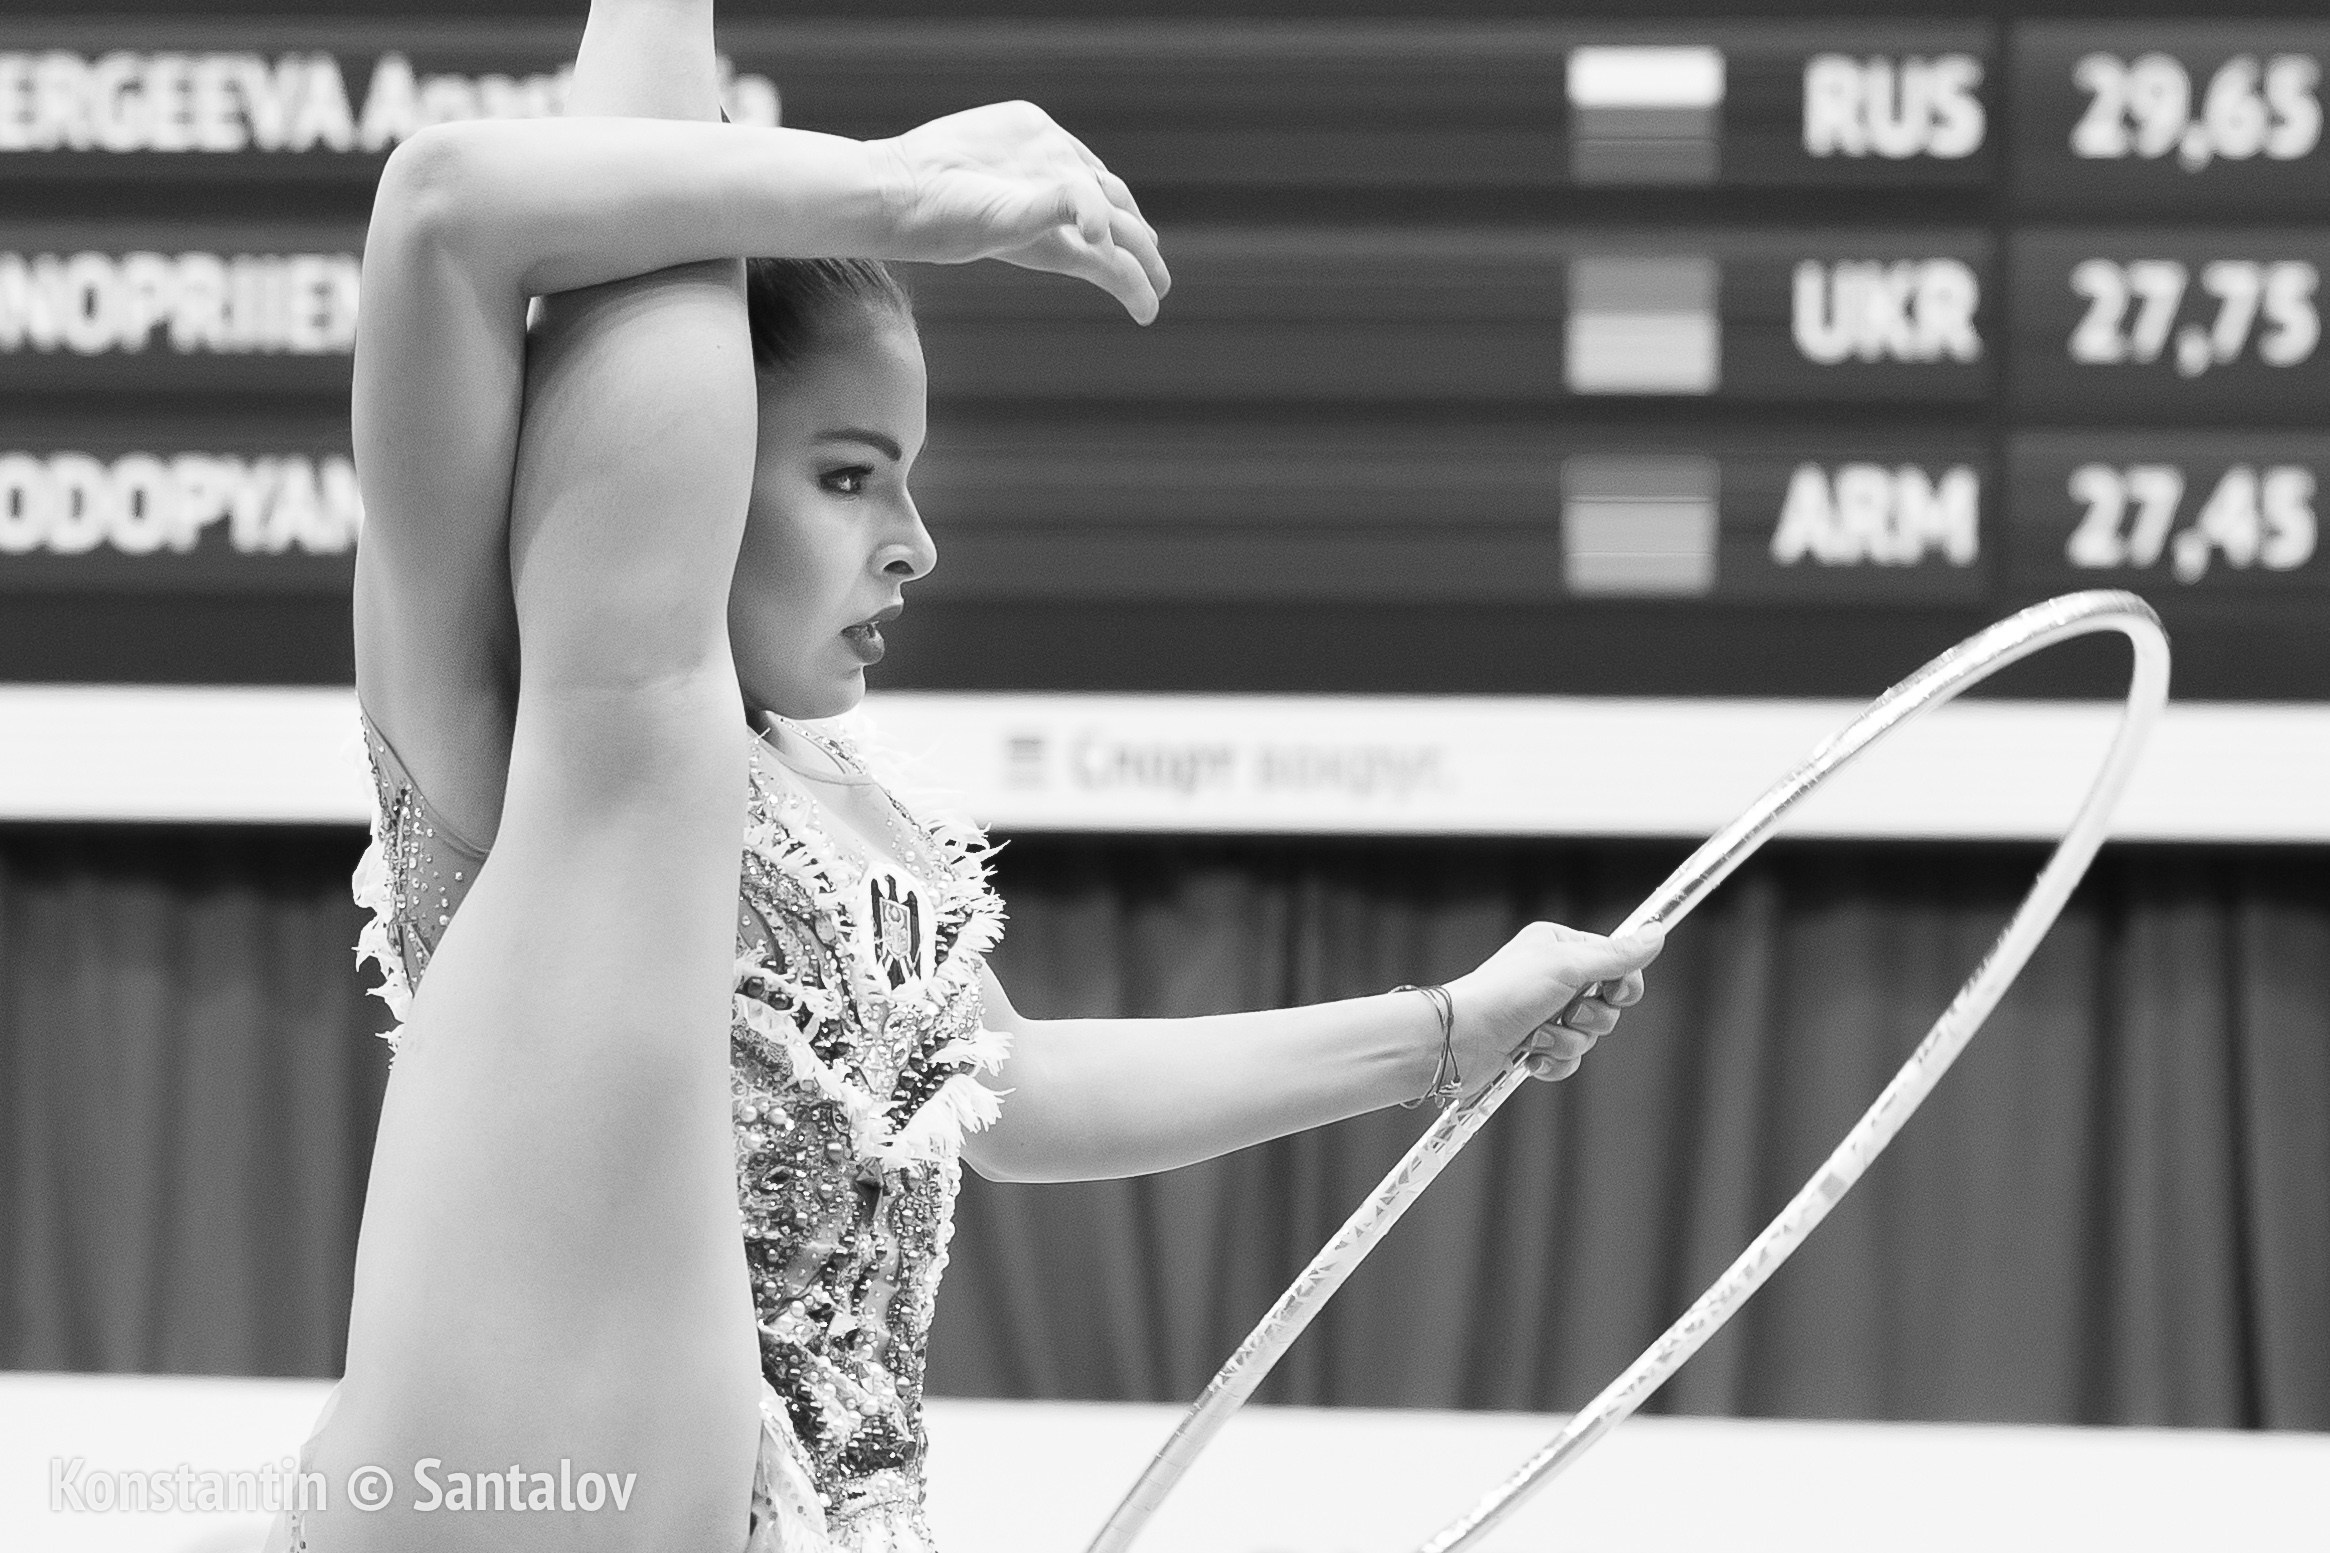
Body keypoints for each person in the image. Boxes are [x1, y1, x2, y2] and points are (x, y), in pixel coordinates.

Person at [268, 3, 1665, 1549]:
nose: (914, 541)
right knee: (642, 697)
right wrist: (890, 193)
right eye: (847, 471)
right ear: (695, 467)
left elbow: (1016, 1091)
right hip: (525, 1499)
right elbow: (450, 206)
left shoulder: (840, 806)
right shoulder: (542, 734)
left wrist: (1448, 1031)